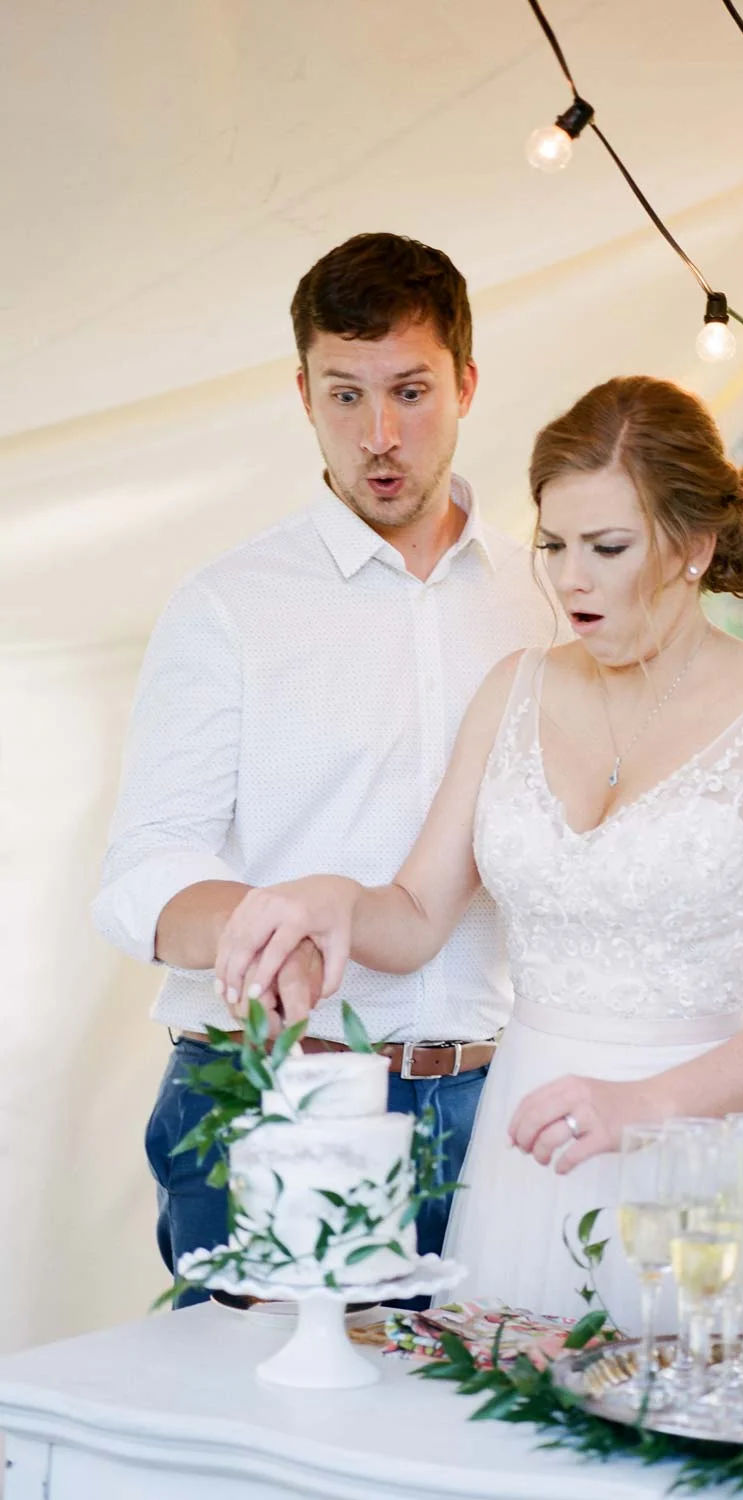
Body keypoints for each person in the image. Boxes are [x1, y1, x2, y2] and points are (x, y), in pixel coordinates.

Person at [211, 375, 743, 1326]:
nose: (571, 580)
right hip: (527, 1152)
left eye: (607, 548)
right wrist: (331, 899)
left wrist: (645, 1106)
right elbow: (416, 916)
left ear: (694, 545)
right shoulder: (513, 689)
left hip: (713, 1163)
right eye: (553, 545)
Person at [92, 233, 558, 1302]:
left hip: (495, 1110)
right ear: (302, 392)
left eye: (410, 391)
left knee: (476, 1411)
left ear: (466, 385)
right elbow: (141, 870)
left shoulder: (544, 598)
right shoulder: (226, 605)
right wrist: (265, 930)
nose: (379, 435)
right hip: (270, 1095)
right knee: (252, 1409)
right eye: (345, 395)